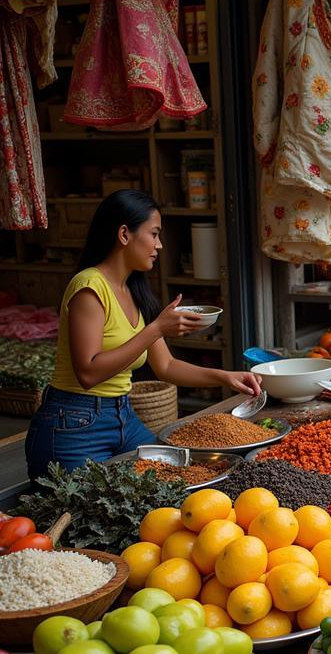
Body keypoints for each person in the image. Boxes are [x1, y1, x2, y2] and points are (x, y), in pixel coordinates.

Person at [26, 190, 261, 479]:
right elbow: (88, 372)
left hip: (123, 416)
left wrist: (225, 377)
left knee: (183, 479)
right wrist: (156, 329)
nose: (159, 245)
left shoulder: (134, 291)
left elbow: (166, 366)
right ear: (124, 234)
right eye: (154, 234)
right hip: (74, 424)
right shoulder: (89, 287)